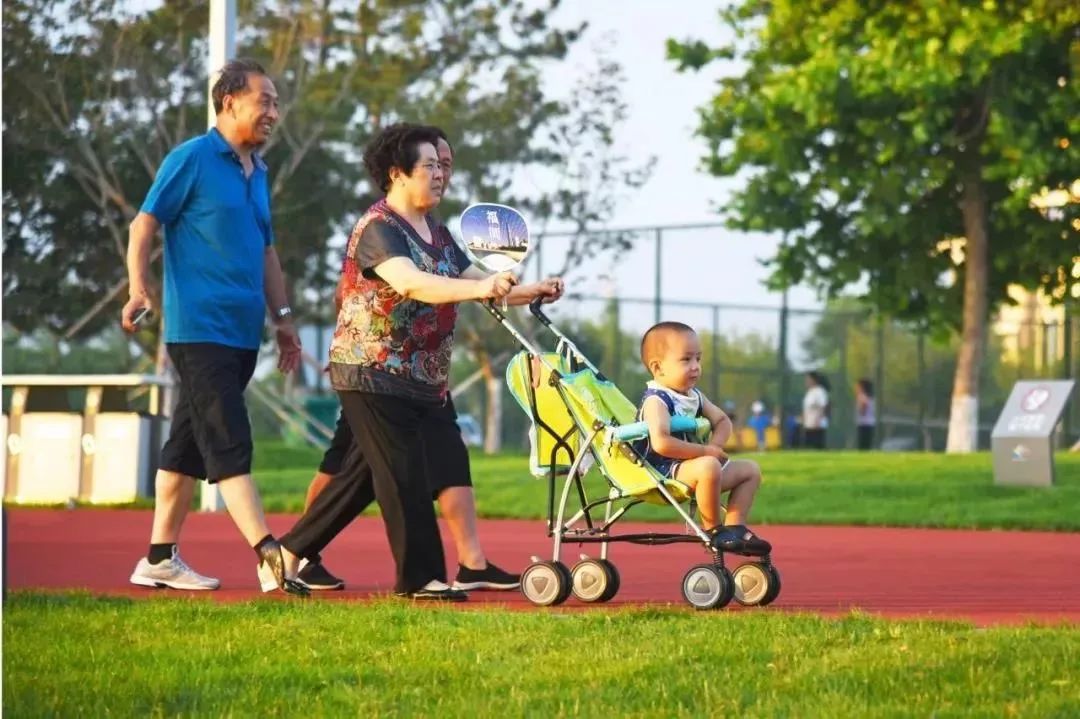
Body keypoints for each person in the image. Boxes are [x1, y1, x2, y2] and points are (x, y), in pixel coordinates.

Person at [271, 123, 563, 601]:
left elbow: (467, 277)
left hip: (423, 382)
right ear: (397, 174)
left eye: (442, 165)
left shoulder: (438, 232)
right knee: (405, 474)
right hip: (372, 372)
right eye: (428, 165)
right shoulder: (378, 228)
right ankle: (421, 579)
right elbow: (412, 283)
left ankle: (286, 554)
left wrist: (528, 290)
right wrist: (480, 288)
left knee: (363, 479)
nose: (440, 173)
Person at [122, 59, 307, 595]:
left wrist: (285, 321)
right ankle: (269, 555)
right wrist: (138, 288)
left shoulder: (260, 172)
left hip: (242, 332)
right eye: (264, 100)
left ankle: (159, 558)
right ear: (228, 102)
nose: (274, 112)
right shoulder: (194, 159)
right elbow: (144, 223)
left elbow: (267, 251)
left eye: (276, 103)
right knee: (228, 434)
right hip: (197, 328)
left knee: (186, 444)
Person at [634, 322, 770, 555]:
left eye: (698, 358)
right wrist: (707, 453)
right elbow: (661, 443)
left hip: (695, 466)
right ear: (658, 368)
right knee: (708, 466)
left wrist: (715, 446)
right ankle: (714, 532)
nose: (696, 367)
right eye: (686, 360)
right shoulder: (656, 401)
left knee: (750, 470)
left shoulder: (694, 396)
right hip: (664, 470)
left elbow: (722, 421)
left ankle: (734, 528)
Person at [802, 371, 829, 450]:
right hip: (809, 424)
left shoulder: (820, 391)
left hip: (817, 424)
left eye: (808, 379)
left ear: (814, 380)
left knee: (817, 446)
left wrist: (819, 420)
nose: (806, 381)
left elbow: (823, 406)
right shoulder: (810, 392)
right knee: (809, 446)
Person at [855, 378, 876, 450]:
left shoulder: (862, 396)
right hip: (870, 423)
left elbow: (862, 410)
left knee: (863, 444)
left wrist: (861, 409)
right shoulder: (870, 397)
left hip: (864, 423)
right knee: (867, 444)